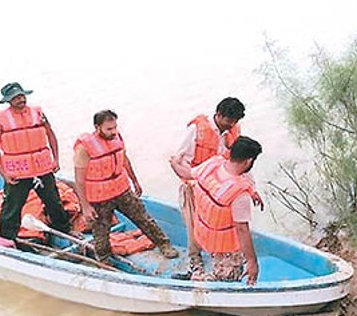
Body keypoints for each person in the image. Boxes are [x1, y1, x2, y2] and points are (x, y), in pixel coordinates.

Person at [173, 97, 263, 276]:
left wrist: (252, 189)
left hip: (219, 187)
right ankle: (195, 263)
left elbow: (240, 161)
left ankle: (218, 258)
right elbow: (180, 160)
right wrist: (198, 183)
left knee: (220, 225)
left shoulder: (233, 131)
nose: (232, 124)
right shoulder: (196, 130)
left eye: (236, 121)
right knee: (195, 226)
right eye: (230, 120)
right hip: (197, 184)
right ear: (218, 115)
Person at [74, 109, 179, 262]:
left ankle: (163, 244)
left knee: (143, 218)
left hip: (121, 189)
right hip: (99, 196)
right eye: (109, 129)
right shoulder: (84, 148)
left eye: (115, 127)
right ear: (97, 127)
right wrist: (85, 206)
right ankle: (103, 259)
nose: (113, 131)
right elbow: (79, 179)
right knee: (101, 231)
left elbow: (124, 159)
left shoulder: (117, 138)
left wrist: (134, 180)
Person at [0, 82, 72, 241]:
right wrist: (3, 174)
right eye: (15, 97)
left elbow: (50, 134)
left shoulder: (38, 113)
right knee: (12, 208)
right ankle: (7, 239)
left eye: (22, 96)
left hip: (42, 168)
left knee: (54, 202)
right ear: (8, 101)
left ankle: (63, 231)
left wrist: (56, 159)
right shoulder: (0, 119)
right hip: (17, 173)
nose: (21, 99)